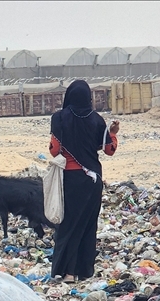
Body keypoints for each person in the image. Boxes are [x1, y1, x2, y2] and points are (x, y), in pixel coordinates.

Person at [49, 80, 120, 283]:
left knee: (69, 225)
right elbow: (109, 150)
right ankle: (84, 271)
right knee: (87, 225)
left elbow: (54, 150)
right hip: (93, 181)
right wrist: (113, 134)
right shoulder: (97, 120)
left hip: (71, 179)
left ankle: (68, 273)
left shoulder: (59, 118)